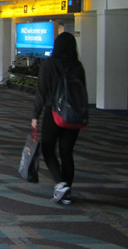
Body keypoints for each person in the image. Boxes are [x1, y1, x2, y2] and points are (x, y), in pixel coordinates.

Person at [31, 32, 85, 205]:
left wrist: (35, 115)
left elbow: (41, 92)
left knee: (48, 148)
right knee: (66, 151)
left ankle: (60, 184)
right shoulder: (77, 66)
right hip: (74, 115)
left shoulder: (49, 64)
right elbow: (82, 93)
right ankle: (67, 189)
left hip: (53, 112)